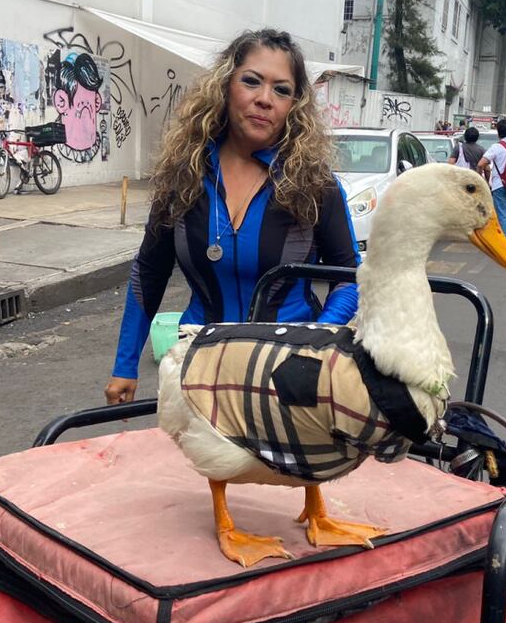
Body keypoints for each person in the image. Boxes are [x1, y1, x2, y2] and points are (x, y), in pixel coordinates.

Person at [104, 29, 361, 405]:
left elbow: (349, 277)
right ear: (225, 85)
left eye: (282, 90)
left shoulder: (315, 184)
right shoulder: (183, 174)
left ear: (295, 104)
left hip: (290, 373)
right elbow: (148, 273)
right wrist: (124, 366)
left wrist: (316, 339)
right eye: (252, 81)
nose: (264, 99)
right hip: (201, 370)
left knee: (279, 467)